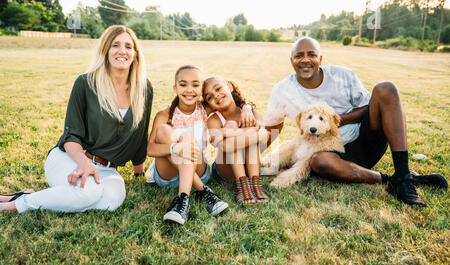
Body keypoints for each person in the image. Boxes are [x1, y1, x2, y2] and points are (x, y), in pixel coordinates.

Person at [264, 37, 447, 207]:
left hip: (364, 141)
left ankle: (404, 176)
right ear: (291, 61)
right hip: (331, 155)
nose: (305, 60)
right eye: (299, 56)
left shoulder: (343, 76)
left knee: (386, 88)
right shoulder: (282, 90)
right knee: (320, 161)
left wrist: (342, 120)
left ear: (320, 58)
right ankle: (394, 180)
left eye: (311, 54)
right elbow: (273, 127)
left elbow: (369, 107)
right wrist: (251, 158)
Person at [0, 25, 153, 213]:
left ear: (136, 54)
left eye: (129, 47)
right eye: (115, 45)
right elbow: (71, 136)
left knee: (111, 202)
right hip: (70, 158)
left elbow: (140, 134)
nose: (122, 51)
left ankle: (38, 195)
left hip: (108, 170)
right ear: (105, 50)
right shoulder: (85, 83)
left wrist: (139, 172)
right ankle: (15, 205)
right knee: (88, 193)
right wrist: (83, 164)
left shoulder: (143, 89)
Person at [148, 66, 256, 225]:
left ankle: (182, 201)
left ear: (201, 91)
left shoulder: (204, 109)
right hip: (168, 175)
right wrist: (174, 148)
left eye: (195, 85)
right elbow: (150, 149)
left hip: (199, 169)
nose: (189, 90)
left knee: (187, 137)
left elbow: (231, 100)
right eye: (183, 85)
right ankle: (204, 192)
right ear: (175, 88)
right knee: (165, 131)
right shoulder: (164, 114)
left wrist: (247, 107)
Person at [203, 76, 270, 206]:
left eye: (218, 88)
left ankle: (255, 185)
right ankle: (242, 185)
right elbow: (226, 147)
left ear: (229, 86)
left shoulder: (253, 114)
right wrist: (255, 133)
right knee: (232, 125)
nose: (216, 96)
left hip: (252, 168)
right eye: (209, 97)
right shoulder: (214, 120)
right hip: (225, 169)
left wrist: (247, 110)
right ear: (209, 104)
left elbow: (264, 138)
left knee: (243, 129)